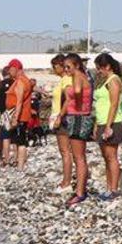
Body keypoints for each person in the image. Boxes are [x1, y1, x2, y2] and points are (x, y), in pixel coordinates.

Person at [91, 53, 122, 198]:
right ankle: (109, 187)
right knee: (106, 157)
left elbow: (114, 104)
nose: (98, 71)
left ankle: (113, 189)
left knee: (111, 156)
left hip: (113, 123)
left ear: (107, 66)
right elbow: (100, 105)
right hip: (102, 121)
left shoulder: (114, 81)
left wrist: (108, 126)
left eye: (99, 68)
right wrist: (97, 124)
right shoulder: (105, 81)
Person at [63, 53, 96, 207]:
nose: (66, 70)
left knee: (79, 157)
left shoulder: (77, 76)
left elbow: (77, 92)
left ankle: (80, 192)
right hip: (82, 116)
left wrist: (74, 99)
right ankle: (80, 189)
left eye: (68, 66)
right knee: (79, 156)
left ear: (76, 65)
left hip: (78, 118)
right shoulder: (84, 76)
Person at [4, 59, 37, 169]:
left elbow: (19, 102)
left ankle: (20, 165)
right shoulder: (25, 80)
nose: (9, 72)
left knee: (21, 140)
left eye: (10, 69)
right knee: (19, 140)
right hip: (23, 115)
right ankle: (19, 164)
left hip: (20, 116)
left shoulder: (20, 82)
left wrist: (15, 118)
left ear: (15, 69)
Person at [47, 54, 73, 192]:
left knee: (65, 152)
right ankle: (66, 180)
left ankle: (66, 182)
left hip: (64, 118)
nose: (53, 69)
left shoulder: (67, 79)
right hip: (61, 116)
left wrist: (59, 116)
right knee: (66, 151)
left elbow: (68, 99)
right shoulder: (63, 80)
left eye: (54, 66)